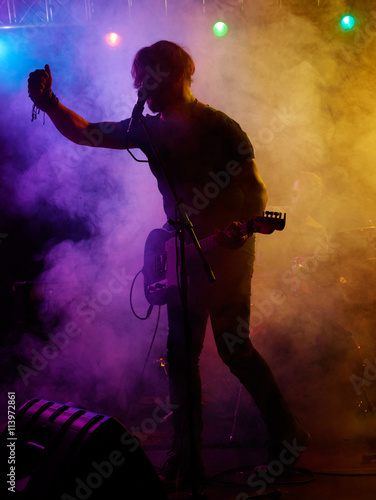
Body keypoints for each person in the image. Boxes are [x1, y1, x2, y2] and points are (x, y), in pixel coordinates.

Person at [28, 40, 309, 487]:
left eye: (147, 75)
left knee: (234, 350)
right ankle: (187, 456)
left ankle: (287, 437)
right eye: (137, 77)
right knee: (180, 356)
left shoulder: (220, 127)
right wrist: (50, 103)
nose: (138, 85)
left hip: (227, 253)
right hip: (182, 250)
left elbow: (256, 192)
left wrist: (237, 228)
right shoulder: (150, 129)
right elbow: (88, 133)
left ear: (176, 74)